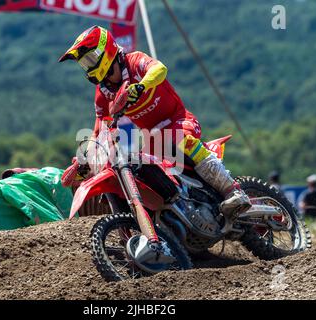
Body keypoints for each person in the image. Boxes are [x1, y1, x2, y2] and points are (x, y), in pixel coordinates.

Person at [59, 26, 251, 259]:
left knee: (181, 140)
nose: (88, 67)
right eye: (83, 63)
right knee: (142, 168)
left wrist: (141, 86)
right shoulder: (103, 94)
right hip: (153, 138)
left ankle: (233, 190)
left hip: (178, 120)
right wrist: (84, 160)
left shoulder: (134, 61)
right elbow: (99, 129)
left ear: (105, 51)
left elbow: (159, 69)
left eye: (90, 59)